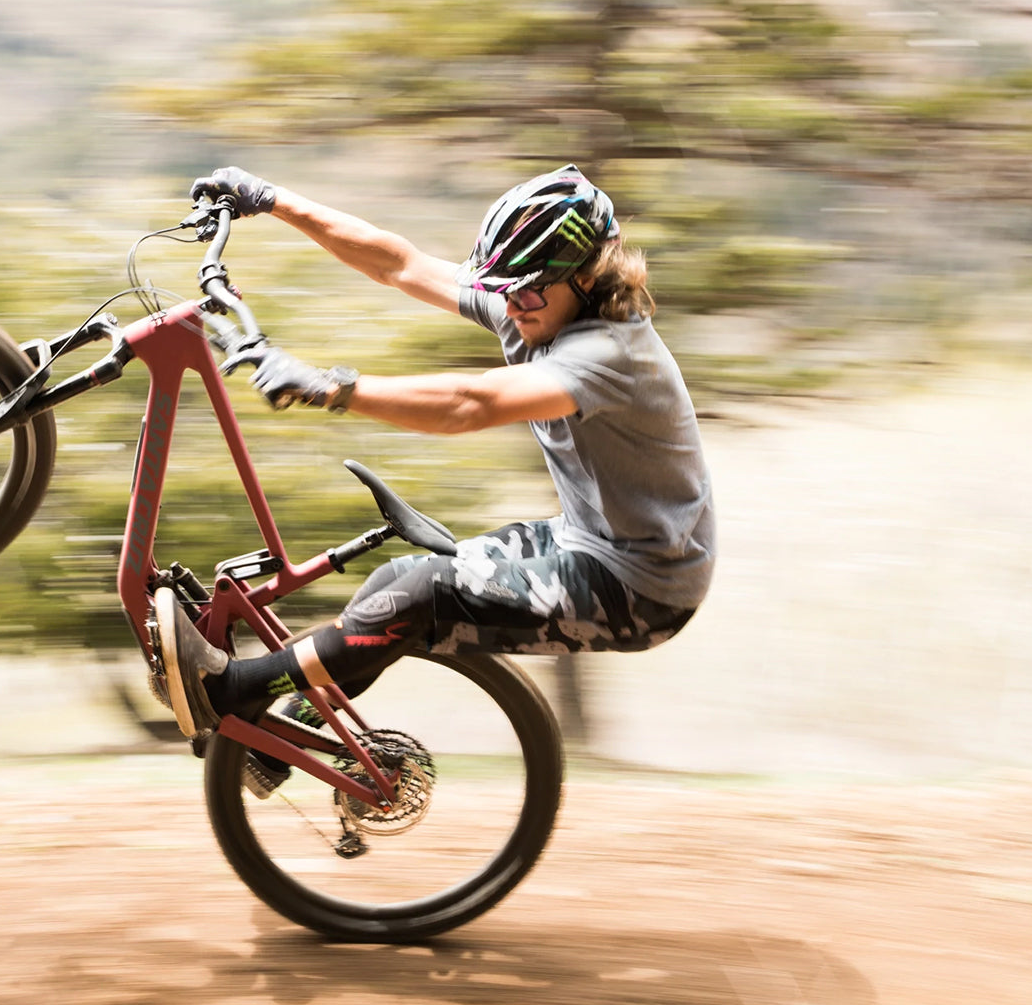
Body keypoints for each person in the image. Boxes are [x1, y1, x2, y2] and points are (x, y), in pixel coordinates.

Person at [157, 164, 716, 794]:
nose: (510, 306)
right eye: (504, 291)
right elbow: (399, 263)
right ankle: (282, 741)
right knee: (392, 584)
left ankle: (235, 690)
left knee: (421, 595)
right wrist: (271, 199)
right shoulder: (537, 304)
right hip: (586, 538)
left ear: (587, 279)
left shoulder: (611, 354)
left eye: (525, 293)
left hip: (642, 588)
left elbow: (472, 403)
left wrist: (332, 387)